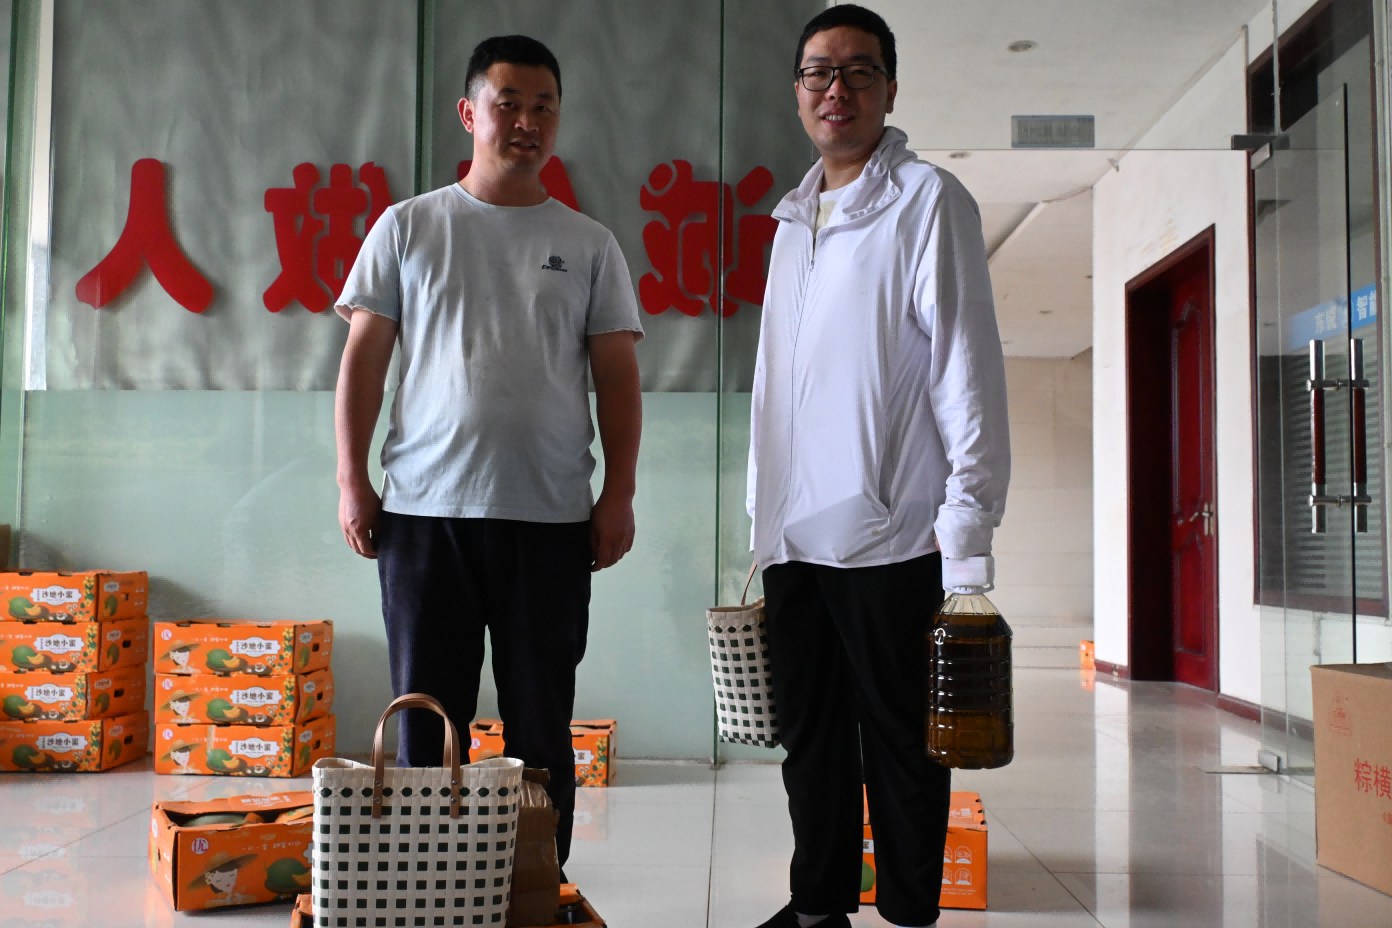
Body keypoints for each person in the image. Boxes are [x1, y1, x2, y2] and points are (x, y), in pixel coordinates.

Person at [333, 34, 643, 868]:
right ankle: (427, 887)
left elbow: (617, 377)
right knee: (426, 720)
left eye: (544, 106)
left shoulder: (589, 244)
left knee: (541, 721)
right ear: (470, 114)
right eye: (509, 104)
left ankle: (536, 886)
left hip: (549, 517)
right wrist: (353, 480)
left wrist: (617, 494)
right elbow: (363, 363)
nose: (527, 122)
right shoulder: (409, 227)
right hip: (424, 514)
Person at [746, 6, 1010, 928]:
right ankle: (817, 909)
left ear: (890, 90)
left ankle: (905, 914)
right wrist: (759, 521)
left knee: (902, 744)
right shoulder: (792, 222)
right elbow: (778, 386)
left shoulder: (928, 201)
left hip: (893, 531)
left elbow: (965, 369)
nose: (838, 90)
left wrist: (967, 533)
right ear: (797, 92)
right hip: (795, 536)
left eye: (860, 71)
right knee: (809, 739)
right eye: (819, 72)